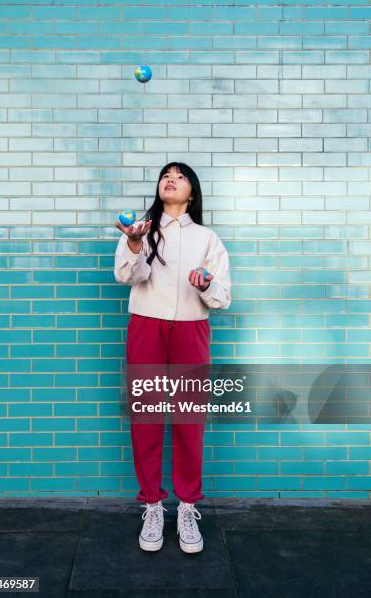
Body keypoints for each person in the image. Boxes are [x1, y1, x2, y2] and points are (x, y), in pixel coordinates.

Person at [113, 162, 231, 553]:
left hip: (191, 330)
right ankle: (151, 506)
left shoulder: (208, 238)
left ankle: (185, 507)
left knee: (188, 421)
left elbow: (223, 298)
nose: (171, 179)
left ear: (192, 192)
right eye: (166, 175)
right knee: (145, 418)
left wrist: (206, 284)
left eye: (180, 177)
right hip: (146, 325)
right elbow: (127, 277)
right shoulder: (142, 229)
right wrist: (133, 245)